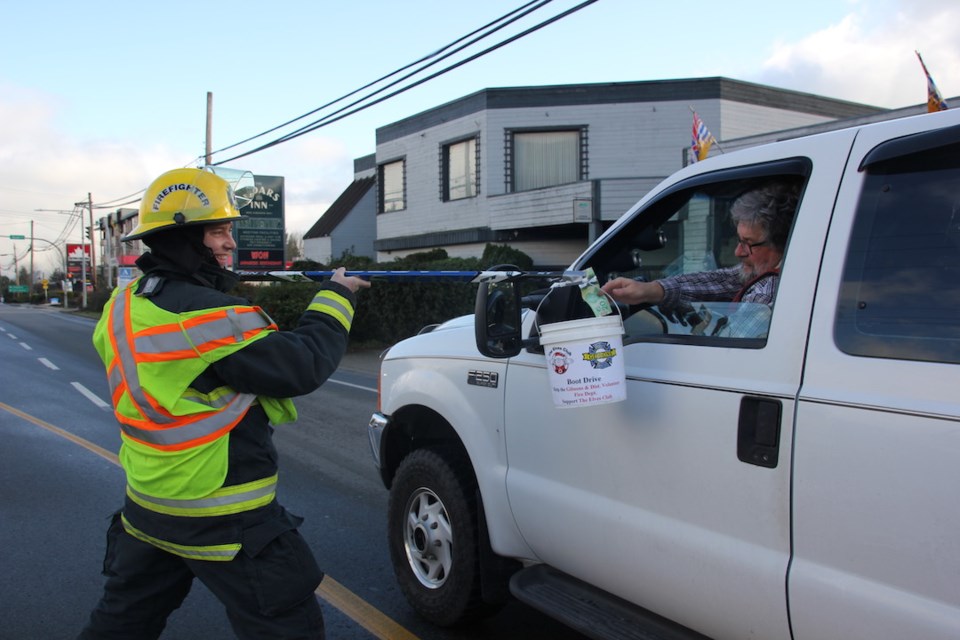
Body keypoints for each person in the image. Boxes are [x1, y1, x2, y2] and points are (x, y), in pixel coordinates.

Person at [79, 167, 370, 640]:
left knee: (121, 624)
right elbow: (302, 366)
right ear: (183, 237)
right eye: (218, 232)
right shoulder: (209, 316)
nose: (230, 243)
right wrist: (336, 297)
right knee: (288, 628)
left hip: (149, 505)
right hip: (223, 512)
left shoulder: (123, 303)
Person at [601, 180, 800, 336]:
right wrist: (651, 290)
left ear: (782, 244)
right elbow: (723, 281)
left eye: (748, 243)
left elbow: (731, 348)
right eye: (739, 240)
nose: (738, 252)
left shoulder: (767, 292)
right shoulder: (773, 272)